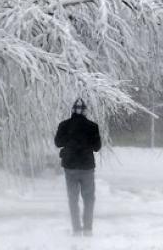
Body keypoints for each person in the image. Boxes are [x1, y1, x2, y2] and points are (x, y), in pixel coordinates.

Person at [54, 98, 101, 236]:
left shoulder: (64, 125)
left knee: (73, 198)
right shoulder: (92, 126)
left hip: (70, 167)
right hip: (87, 167)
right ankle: (87, 228)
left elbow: (58, 143)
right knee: (89, 198)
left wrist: (70, 140)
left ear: (72, 111)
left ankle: (76, 229)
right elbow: (97, 147)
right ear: (85, 111)